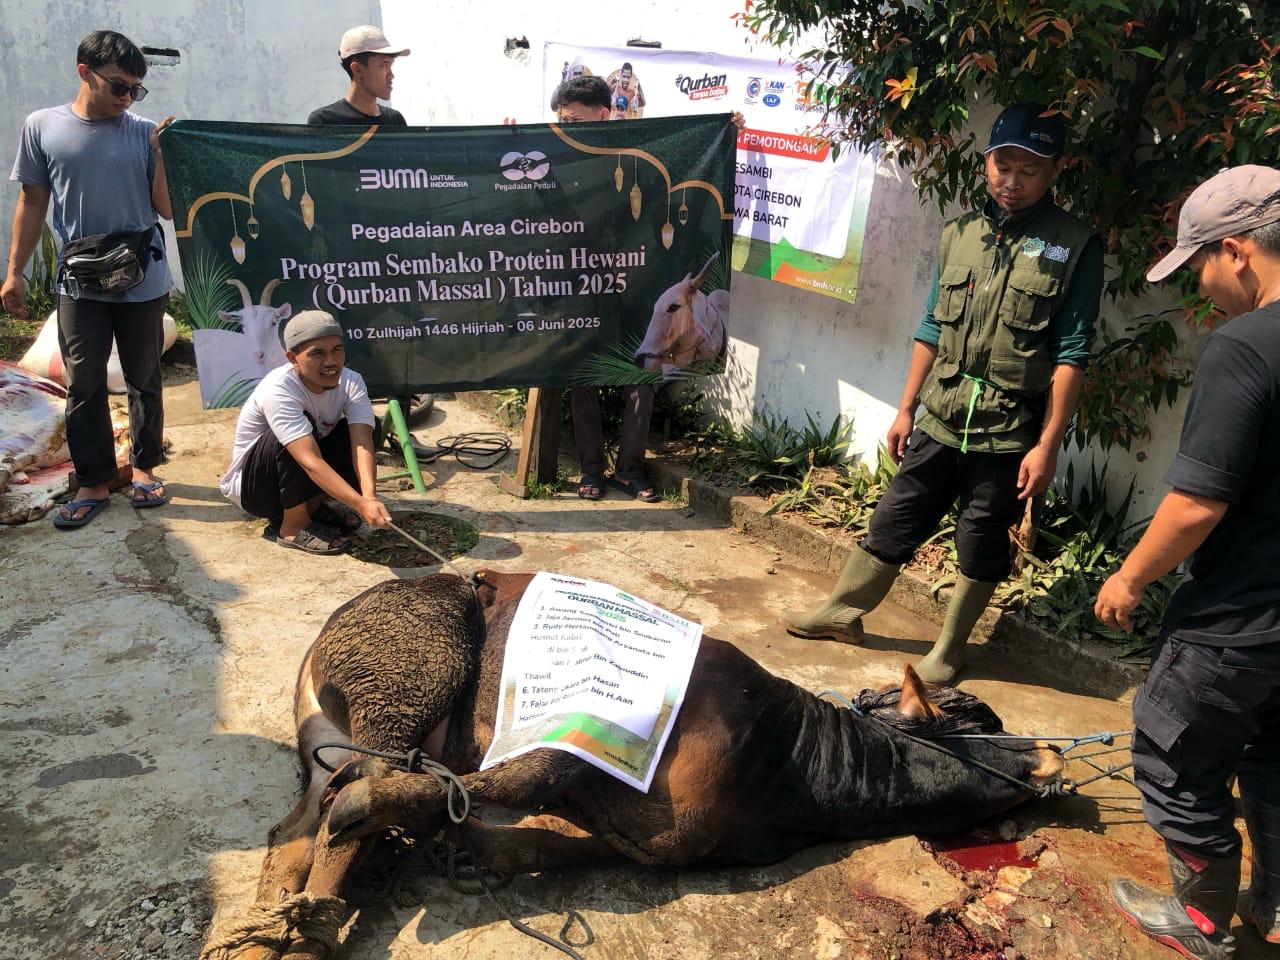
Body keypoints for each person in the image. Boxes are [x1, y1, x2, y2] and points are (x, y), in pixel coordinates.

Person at [782, 102, 1103, 685]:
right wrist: (906, 406)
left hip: (1009, 426)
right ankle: (845, 611)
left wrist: (1048, 445)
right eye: (1003, 164)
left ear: (1055, 171)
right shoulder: (960, 234)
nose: (1012, 180)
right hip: (943, 413)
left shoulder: (1076, 245)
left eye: (1029, 169)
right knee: (898, 511)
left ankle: (951, 647)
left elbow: (1071, 353)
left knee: (980, 534)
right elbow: (932, 326)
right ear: (986, 164)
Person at [1097, 165, 1280, 960]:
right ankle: (1270, 912)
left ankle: (1204, 924)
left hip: (1237, 621)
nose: (1204, 287)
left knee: (1170, 758)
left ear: (1237, 252)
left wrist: (1129, 577)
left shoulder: (1245, 347)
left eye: (1202, 264)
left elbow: (1198, 502)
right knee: (1273, 758)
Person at [3, 30, 175, 529]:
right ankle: (94, 480)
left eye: (136, 91)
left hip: (142, 275)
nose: (128, 99)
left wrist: (161, 154)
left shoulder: (142, 132)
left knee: (145, 378)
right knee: (83, 383)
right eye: (120, 87)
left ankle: (143, 468)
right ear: (85, 73)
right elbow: (32, 203)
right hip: (80, 280)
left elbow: (164, 207)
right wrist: (14, 272)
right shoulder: (42, 127)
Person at [551, 75, 660, 502]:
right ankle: (591, 471)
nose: (567, 127)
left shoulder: (636, 152)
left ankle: (629, 470)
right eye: (561, 120)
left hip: (632, 286)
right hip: (579, 284)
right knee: (585, 380)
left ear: (604, 113)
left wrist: (729, 131)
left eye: (575, 119)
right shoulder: (555, 155)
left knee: (641, 380)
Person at [219, 310, 391, 554]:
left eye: (337, 350)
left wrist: (369, 497)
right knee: (298, 437)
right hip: (256, 490)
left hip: (295, 479)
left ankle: (311, 509)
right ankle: (292, 527)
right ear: (292, 357)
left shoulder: (352, 382)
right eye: (317, 353)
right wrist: (359, 504)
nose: (331, 361)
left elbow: (361, 443)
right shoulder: (278, 389)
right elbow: (308, 461)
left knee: (366, 428)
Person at [307, 25, 409, 126]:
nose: (391, 75)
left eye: (391, 65)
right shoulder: (326, 120)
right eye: (384, 65)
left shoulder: (395, 120)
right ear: (357, 68)